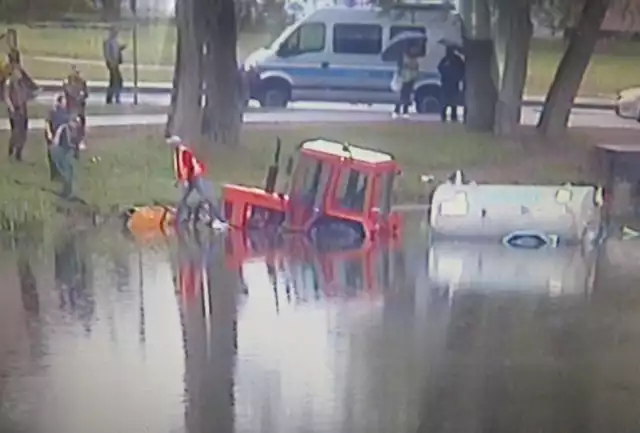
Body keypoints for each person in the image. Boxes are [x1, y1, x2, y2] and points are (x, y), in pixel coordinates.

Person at [166, 135, 228, 228]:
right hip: (190, 177)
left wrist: (185, 180)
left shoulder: (183, 152)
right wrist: (179, 180)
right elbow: (180, 168)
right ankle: (181, 218)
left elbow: (186, 167)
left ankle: (218, 218)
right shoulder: (178, 152)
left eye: (172, 144)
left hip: (194, 177)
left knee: (205, 197)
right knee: (184, 199)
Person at [49, 109, 79, 199]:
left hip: (65, 151)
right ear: (70, 122)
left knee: (70, 170)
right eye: (75, 123)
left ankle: (68, 190)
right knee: (66, 171)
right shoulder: (64, 128)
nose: (76, 125)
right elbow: (61, 142)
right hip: (59, 151)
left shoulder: (73, 129)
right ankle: (66, 192)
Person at [4, 66, 31, 161]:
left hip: (23, 110)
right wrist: (12, 108)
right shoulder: (9, 82)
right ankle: (12, 149)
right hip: (15, 110)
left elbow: (26, 95)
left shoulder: (22, 84)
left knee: (23, 131)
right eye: (18, 72)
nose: (19, 74)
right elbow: (6, 97)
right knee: (16, 131)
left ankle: (19, 152)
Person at [45, 94, 71, 180]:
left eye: (65, 102)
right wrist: (49, 133)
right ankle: (54, 174)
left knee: (60, 155)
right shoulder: (53, 111)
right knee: (52, 155)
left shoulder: (66, 113)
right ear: (59, 103)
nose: (65, 104)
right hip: (52, 134)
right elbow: (47, 122)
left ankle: (60, 174)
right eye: (63, 102)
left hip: (61, 136)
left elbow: (64, 125)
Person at [63, 65, 88, 150]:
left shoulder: (82, 82)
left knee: (81, 125)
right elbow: (68, 91)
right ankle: (71, 141)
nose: (78, 73)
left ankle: (80, 141)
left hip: (80, 108)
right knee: (71, 125)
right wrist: (78, 95)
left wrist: (82, 96)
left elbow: (86, 93)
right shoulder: (68, 81)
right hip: (72, 107)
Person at [437, 46, 465, 123]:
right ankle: (444, 116)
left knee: (453, 101)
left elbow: (462, 69)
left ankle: (453, 116)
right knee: (445, 101)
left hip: (453, 83)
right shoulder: (445, 60)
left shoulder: (457, 60)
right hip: (446, 82)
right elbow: (439, 68)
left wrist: (458, 76)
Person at [393, 44, 420, 118]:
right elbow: (400, 68)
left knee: (407, 96)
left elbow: (416, 68)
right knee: (401, 96)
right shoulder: (404, 57)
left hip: (411, 79)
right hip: (403, 78)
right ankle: (396, 110)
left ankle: (405, 111)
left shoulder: (414, 59)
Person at [103, 27, 125, 104]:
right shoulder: (108, 42)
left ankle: (113, 97)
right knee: (116, 80)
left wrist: (121, 49)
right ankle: (112, 97)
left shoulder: (114, 41)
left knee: (115, 81)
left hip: (115, 63)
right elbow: (107, 54)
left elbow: (116, 51)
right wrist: (110, 62)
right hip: (112, 64)